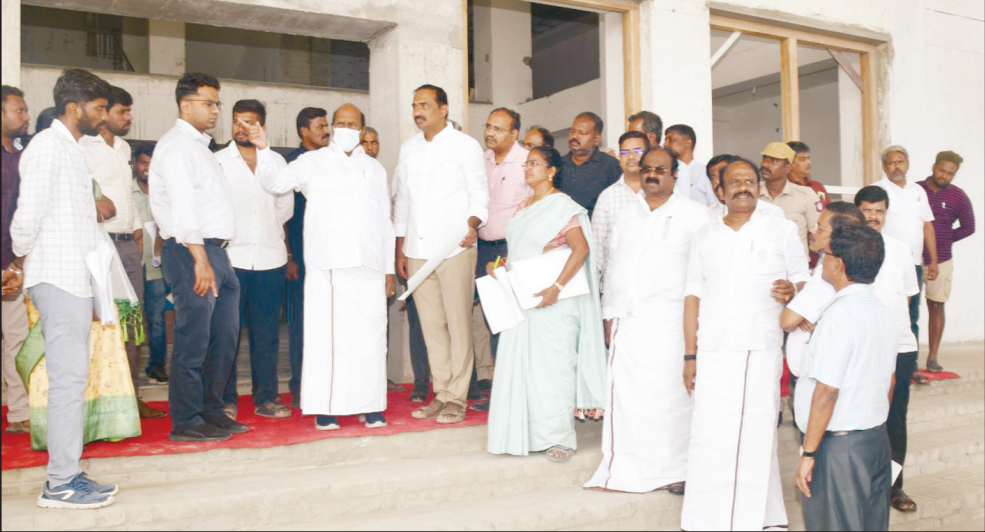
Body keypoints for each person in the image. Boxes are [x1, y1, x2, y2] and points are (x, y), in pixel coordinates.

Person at [4, 68, 120, 509]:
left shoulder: (70, 148)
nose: (103, 117)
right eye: (98, 108)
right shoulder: (47, 147)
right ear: (74, 108)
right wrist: (19, 259)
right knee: (67, 381)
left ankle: (68, 472)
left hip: (73, 275)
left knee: (73, 379)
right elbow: (27, 214)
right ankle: (60, 483)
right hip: (56, 276)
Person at [680, 157, 809, 531]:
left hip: (760, 346)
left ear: (759, 187)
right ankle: (705, 520)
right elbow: (692, 296)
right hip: (714, 347)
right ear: (719, 190)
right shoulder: (704, 235)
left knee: (757, 431)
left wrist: (792, 290)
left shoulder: (781, 228)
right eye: (734, 181)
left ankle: (760, 519)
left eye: (750, 181)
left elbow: (803, 280)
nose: (743, 187)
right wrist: (690, 354)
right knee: (710, 432)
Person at [256, 103, 393, 430]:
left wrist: (388, 269)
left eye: (353, 123)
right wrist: (263, 149)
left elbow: (385, 220)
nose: (346, 128)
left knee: (370, 339)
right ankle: (326, 408)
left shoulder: (375, 169)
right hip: (328, 265)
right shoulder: (312, 162)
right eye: (340, 123)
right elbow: (276, 182)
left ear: (362, 130)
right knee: (327, 341)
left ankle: (371, 405)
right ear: (332, 127)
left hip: (370, 265)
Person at [585, 147, 713, 493]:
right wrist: (609, 315)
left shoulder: (696, 215)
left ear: (675, 175)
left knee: (673, 399)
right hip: (628, 323)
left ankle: (677, 469)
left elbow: (706, 273)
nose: (652, 174)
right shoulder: (626, 214)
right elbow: (614, 266)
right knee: (629, 400)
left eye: (661, 169)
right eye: (647, 169)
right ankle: (630, 467)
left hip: (674, 324)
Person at [486, 146, 606, 461]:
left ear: (552, 171)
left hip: (556, 302)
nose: (528, 168)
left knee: (555, 369)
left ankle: (560, 439)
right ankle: (524, 435)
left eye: (535, 164)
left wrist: (556, 287)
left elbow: (580, 249)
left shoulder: (563, 206)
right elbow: (520, 252)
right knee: (525, 368)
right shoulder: (523, 207)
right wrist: (499, 265)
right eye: (526, 164)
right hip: (523, 296)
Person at [150, 72, 248, 442]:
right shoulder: (176, 146)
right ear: (185, 105)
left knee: (223, 339)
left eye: (218, 103)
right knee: (193, 339)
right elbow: (182, 207)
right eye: (209, 103)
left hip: (217, 252)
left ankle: (211, 409)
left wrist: (213, 257)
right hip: (192, 251)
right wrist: (200, 259)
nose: (216, 110)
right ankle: (186, 420)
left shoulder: (201, 148)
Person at [394, 84, 488, 425]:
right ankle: (443, 392)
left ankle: (458, 398)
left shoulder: (465, 145)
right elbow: (403, 200)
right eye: (414, 105)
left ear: (444, 108)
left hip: (454, 247)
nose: (417, 111)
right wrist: (400, 246)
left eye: (424, 105)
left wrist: (474, 224)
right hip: (418, 250)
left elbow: (479, 192)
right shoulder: (408, 149)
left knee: (459, 324)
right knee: (431, 327)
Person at [795, 223, 897, 531]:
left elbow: (827, 391)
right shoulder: (883, 312)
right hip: (875, 439)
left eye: (824, 254)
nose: (821, 260)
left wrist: (809, 453)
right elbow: (890, 380)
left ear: (838, 264)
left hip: (840, 448)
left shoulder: (839, 316)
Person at [80, 85, 164, 420]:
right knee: (100, 323)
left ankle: (131, 397)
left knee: (133, 324)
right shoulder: (83, 146)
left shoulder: (124, 147)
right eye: (122, 112)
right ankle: (96, 402)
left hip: (129, 247)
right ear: (103, 113)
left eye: (130, 111)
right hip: (99, 246)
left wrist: (136, 230)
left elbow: (125, 196)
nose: (129, 118)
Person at [216, 100, 293, 420]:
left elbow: (285, 208)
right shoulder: (218, 161)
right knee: (227, 335)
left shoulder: (276, 161)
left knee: (266, 334)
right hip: (230, 258)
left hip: (270, 259)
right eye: (237, 121)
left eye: (249, 122)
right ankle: (225, 400)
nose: (241, 128)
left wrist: (268, 231)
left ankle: (267, 398)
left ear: (261, 126)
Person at [854, 185, 923, 514]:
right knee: (861, 417)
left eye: (879, 210)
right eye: (867, 210)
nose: (873, 216)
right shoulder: (843, 248)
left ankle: (894, 486)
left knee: (895, 418)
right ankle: (861, 484)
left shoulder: (900, 250)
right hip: (860, 348)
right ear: (857, 211)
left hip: (899, 347)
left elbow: (908, 297)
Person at [473, 108, 530, 403]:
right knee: (491, 318)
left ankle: (513, 390)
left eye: (498, 128)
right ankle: (496, 387)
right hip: (482, 247)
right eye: (488, 126)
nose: (490, 132)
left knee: (509, 319)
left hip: (510, 249)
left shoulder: (526, 161)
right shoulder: (481, 160)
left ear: (514, 133)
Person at [283, 107, 330, 408]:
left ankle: (326, 381)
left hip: (329, 254)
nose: (327, 131)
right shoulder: (292, 164)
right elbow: (282, 215)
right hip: (299, 256)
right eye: (320, 126)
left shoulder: (333, 162)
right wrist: (290, 255)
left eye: (327, 126)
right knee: (301, 320)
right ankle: (300, 384)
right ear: (304, 131)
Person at [874, 145, 938, 343]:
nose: (897, 167)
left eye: (900, 162)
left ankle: (909, 359)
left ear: (907, 164)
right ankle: (885, 358)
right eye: (891, 163)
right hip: (886, 262)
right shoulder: (877, 190)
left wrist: (933, 261)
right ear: (884, 167)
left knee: (911, 314)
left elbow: (927, 226)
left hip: (914, 264)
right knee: (885, 311)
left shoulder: (918, 191)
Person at [919, 151, 975, 373]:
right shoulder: (916, 190)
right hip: (911, 257)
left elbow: (969, 227)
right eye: (942, 170)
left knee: (936, 305)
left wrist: (944, 238)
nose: (944, 176)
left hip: (941, 259)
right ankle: (906, 358)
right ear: (934, 167)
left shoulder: (958, 196)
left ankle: (932, 357)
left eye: (950, 173)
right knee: (906, 308)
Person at [1, 85, 31, 435]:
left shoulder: (24, 157)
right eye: (19, 110)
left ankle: (19, 412)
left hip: (13, 263)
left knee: (16, 339)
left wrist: (18, 262)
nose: (26, 116)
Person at [131, 144, 169, 386]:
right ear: (135, 164)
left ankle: (156, 365)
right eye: (143, 162)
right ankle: (127, 368)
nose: (147, 168)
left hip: (156, 265)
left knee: (156, 318)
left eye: (152, 163)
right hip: (131, 263)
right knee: (130, 316)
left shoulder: (164, 192)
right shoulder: (126, 191)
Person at [591, 131, 649, 287]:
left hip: (654, 283)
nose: (631, 157)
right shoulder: (607, 197)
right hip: (617, 285)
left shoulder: (660, 193)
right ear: (619, 159)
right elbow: (597, 246)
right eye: (625, 152)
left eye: (637, 151)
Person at [758, 141, 823, 256]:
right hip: (759, 263)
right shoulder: (752, 194)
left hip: (793, 265)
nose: (766, 164)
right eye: (765, 159)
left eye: (774, 160)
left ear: (788, 168)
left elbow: (820, 233)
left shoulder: (805, 195)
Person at [557, 112, 622, 217]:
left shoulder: (611, 165)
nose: (575, 136)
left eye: (582, 133)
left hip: (596, 226)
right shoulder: (558, 164)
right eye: (572, 131)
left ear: (597, 139)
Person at [663, 124, 716, 206]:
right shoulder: (666, 173)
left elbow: (715, 207)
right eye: (665, 140)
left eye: (671, 139)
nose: (665, 144)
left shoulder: (704, 174)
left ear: (688, 143)